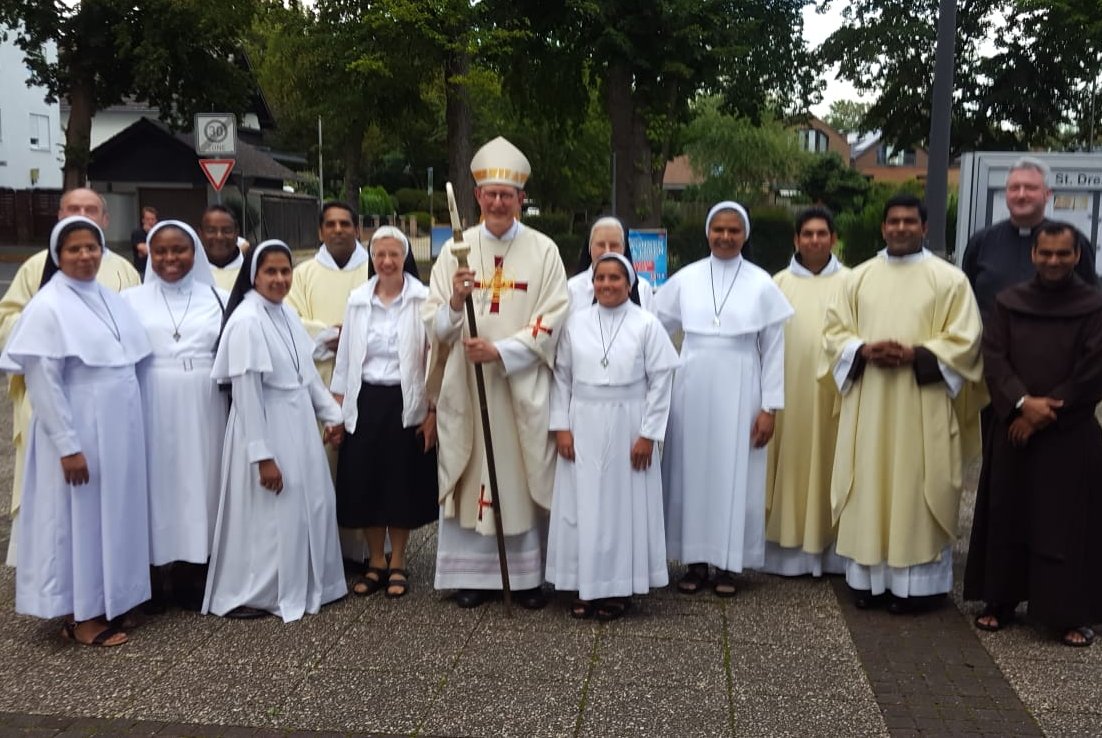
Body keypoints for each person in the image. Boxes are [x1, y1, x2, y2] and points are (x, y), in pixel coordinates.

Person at [424, 135, 569, 609]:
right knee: (474, 477)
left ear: (521, 199)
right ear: (478, 197)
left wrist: (502, 351)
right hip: (468, 384)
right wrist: (455, 303)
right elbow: (433, 322)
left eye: (509, 195)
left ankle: (526, 578)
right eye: (492, 194)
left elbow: (553, 316)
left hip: (516, 380)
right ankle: (474, 577)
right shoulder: (455, 252)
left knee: (515, 473)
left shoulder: (544, 251)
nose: (500, 201)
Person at [822, 194, 985, 613]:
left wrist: (917, 354)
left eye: (909, 221)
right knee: (870, 481)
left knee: (916, 482)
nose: (900, 228)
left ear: (924, 228)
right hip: (870, 402)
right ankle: (869, 583)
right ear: (882, 228)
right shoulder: (857, 278)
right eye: (892, 221)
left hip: (922, 401)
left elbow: (967, 340)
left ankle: (919, 589)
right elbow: (834, 334)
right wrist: (861, 349)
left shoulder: (949, 280)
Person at [0, 216, 152, 645]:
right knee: (78, 521)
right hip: (77, 430)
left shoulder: (109, 298)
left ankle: (110, 599)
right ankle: (79, 615)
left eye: (92, 248)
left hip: (117, 431)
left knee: (113, 516)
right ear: (57, 255)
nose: (85, 256)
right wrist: (68, 446)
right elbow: (43, 382)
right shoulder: (48, 306)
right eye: (74, 249)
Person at [963, 222, 1102, 647]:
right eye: (1047, 254)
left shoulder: (1095, 306)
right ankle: (1000, 601)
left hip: (1070, 432)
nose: (1054, 261)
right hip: (1014, 429)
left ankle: (1068, 613)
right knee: (1009, 512)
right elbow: (995, 357)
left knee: (1068, 523)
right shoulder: (1009, 301)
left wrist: (1045, 411)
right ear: (1033, 255)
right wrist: (1021, 404)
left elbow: (1093, 367)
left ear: (1078, 256)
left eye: (1063, 254)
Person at [203, 240, 347, 622]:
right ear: (254, 276)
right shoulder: (247, 320)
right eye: (271, 271)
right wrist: (262, 457)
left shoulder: (283, 313)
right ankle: (256, 591)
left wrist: (333, 416)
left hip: (296, 421)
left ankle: (305, 579)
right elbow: (246, 395)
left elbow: (307, 376)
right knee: (268, 512)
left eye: (286, 271)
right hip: (264, 425)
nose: (280, 279)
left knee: (308, 503)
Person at [656, 201, 793, 597]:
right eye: (718, 229)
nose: (725, 237)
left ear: (744, 235)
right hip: (693, 382)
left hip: (742, 384)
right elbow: (654, 327)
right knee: (691, 471)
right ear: (707, 233)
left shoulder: (762, 282)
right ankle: (695, 562)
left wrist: (770, 408)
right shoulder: (687, 278)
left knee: (736, 473)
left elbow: (773, 350)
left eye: (734, 231)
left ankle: (730, 564)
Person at [546, 253, 679, 620]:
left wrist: (648, 435)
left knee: (623, 507)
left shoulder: (646, 324)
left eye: (614, 278)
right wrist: (561, 428)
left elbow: (661, 382)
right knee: (583, 505)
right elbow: (560, 377)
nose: (606, 284)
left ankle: (618, 587)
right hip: (582, 419)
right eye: (600, 278)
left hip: (628, 421)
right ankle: (584, 585)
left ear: (630, 283)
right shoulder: (575, 323)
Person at [122, 221, 229, 610]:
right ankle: (149, 573)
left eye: (179, 250)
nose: (170, 258)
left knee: (201, 482)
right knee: (154, 485)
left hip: (204, 403)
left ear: (194, 252)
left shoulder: (218, 297)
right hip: (150, 399)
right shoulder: (129, 300)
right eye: (161, 251)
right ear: (149, 253)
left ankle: (193, 570)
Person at [331, 227, 438, 599]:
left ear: (405, 257)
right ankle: (376, 560)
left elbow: (434, 358)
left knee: (400, 484)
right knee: (368, 482)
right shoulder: (358, 299)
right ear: (372, 258)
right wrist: (337, 409)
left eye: (394, 255)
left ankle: (399, 562)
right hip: (366, 400)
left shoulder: (424, 299)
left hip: (406, 402)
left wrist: (433, 410)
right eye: (380, 255)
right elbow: (345, 356)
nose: (387, 262)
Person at [762, 207, 848, 577]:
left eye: (822, 233)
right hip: (788, 395)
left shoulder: (852, 282)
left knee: (833, 464)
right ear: (796, 240)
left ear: (833, 238)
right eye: (807, 234)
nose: (814, 240)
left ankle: (832, 552)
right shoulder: (776, 284)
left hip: (835, 395)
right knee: (790, 463)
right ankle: (786, 552)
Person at [286, 201, 373, 564]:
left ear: (357, 228)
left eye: (345, 224)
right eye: (331, 225)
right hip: (318, 377)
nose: (338, 230)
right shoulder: (303, 273)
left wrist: (355, 335)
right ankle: (322, 548)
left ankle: (364, 550)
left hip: (366, 379)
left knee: (363, 463)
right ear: (321, 231)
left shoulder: (373, 267)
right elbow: (289, 317)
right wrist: (327, 334)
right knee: (321, 460)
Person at [963, 156, 1097, 321]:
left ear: (1047, 194)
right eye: (1014, 188)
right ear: (1006, 194)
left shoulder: (1073, 241)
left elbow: (1090, 300)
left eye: (1030, 188)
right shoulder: (981, 242)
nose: (1021, 195)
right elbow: (966, 299)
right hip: (993, 343)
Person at [568, 217, 655, 313]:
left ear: (624, 249)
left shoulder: (642, 288)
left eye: (614, 245)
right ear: (589, 248)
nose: (607, 251)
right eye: (600, 245)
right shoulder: (571, 289)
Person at [199, 205, 245, 292]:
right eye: (211, 230)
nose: (219, 237)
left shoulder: (253, 272)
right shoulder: (189, 272)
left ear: (237, 233)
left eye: (227, 230)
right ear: (200, 233)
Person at [130, 206, 158, 275]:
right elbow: (144, 250)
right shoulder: (137, 233)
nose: (150, 222)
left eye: (152, 219)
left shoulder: (158, 234)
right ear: (143, 220)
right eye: (148, 219)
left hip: (156, 271)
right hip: (142, 271)